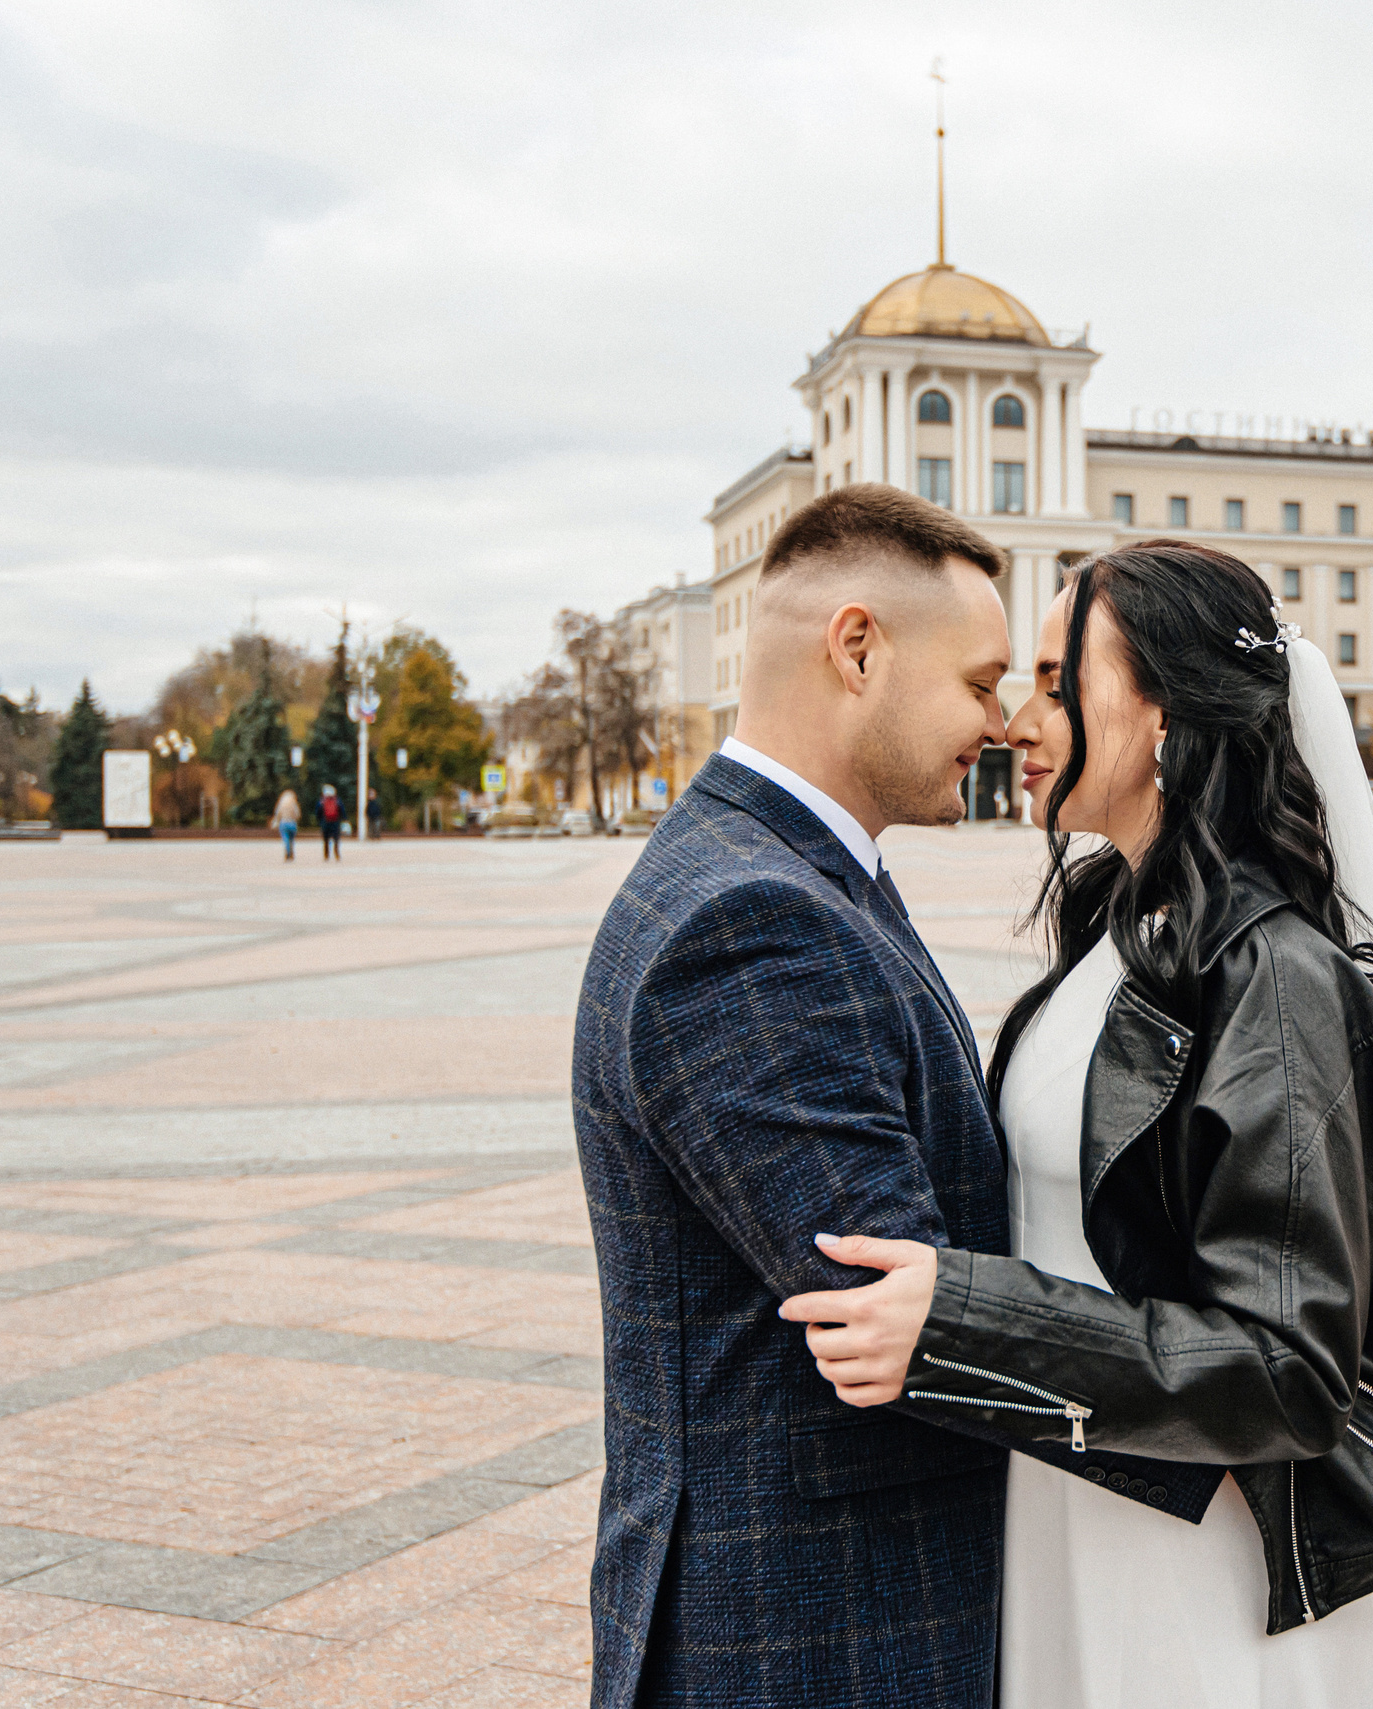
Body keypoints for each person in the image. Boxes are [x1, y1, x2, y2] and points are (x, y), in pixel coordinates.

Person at [784, 540, 1373, 1707]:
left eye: (1056, 681)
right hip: (1078, 1498)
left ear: (1162, 712)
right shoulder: (1118, 932)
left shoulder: (1276, 981)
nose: (1015, 720)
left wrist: (961, 1324)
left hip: (1195, 1564)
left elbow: (1290, 1368)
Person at [571, 485, 1020, 1707]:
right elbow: (903, 1305)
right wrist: (1224, 1375)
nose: (1002, 717)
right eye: (981, 681)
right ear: (859, 647)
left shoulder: (797, 872)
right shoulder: (751, 919)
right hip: (810, 1635)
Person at [271, 785, 300, 861]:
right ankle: (291, 852)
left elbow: (277, 814)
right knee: (292, 839)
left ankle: (287, 853)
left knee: (286, 839)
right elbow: (297, 814)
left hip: (283, 823)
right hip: (292, 823)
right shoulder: (294, 803)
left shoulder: (281, 804)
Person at [317, 785, 344, 860]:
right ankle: (336, 853)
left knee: (326, 839)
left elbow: (318, 812)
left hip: (325, 821)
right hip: (335, 821)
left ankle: (326, 855)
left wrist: (320, 820)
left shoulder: (321, 801)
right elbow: (342, 811)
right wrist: (342, 819)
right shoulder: (337, 800)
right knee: (336, 839)